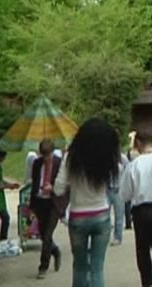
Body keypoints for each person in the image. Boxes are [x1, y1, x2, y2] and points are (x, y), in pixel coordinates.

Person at [53, 118, 120, 287]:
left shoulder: (71, 157)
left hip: (78, 216)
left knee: (80, 267)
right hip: (101, 215)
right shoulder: (107, 157)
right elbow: (115, 185)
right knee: (97, 268)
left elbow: (58, 189)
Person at [120, 130, 152, 287]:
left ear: (139, 144)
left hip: (141, 211)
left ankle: (147, 281)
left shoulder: (134, 165)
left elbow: (124, 194)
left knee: (143, 250)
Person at [30, 139, 67, 278]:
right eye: (43, 155)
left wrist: (53, 188)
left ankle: (43, 267)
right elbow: (34, 182)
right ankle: (55, 250)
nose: (46, 159)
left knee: (47, 236)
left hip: (53, 203)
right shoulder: (37, 163)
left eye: (48, 156)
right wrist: (32, 205)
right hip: (40, 202)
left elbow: (65, 186)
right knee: (42, 234)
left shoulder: (59, 163)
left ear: (52, 152)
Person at [0, 148, 19, 242]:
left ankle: (3, 240)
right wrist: (9, 186)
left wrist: (10, 184)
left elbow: (0, 181)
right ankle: (3, 240)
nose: (3, 160)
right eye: (3, 157)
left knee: (5, 218)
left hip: (0, 198)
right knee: (5, 218)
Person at [108, 151, 129, 246]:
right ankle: (105, 236)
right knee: (105, 215)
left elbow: (128, 170)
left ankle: (118, 236)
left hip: (118, 190)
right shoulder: (105, 157)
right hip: (107, 189)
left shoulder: (122, 158)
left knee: (119, 215)